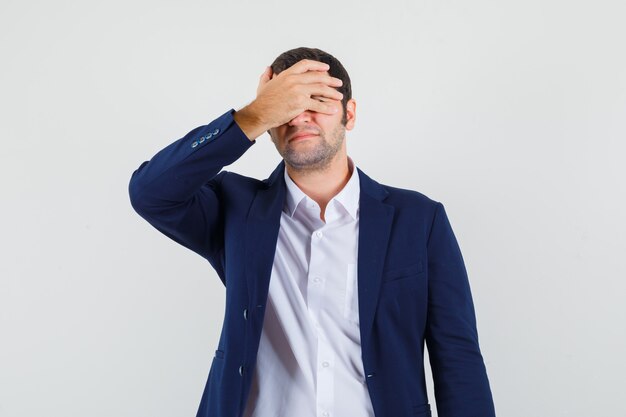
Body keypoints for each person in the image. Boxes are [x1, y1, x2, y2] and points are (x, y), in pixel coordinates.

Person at [128, 47, 496, 417]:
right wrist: (251, 116)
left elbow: (458, 358)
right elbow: (150, 193)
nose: (299, 117)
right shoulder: (235, 209)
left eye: (317, 101)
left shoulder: (419, 220)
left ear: (348, 114)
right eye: (285, 106)